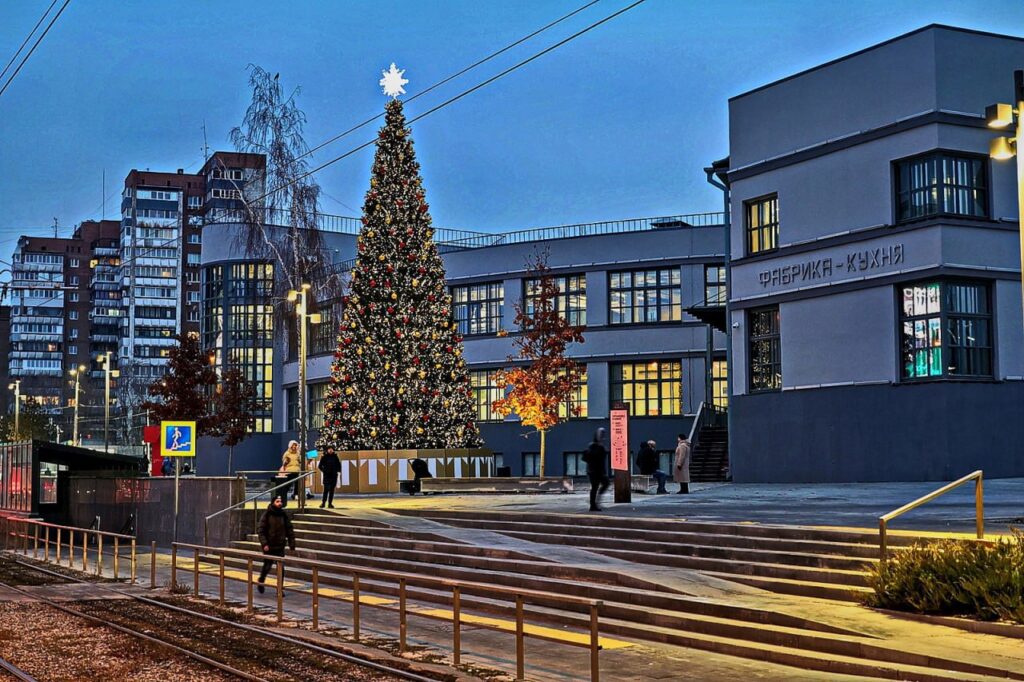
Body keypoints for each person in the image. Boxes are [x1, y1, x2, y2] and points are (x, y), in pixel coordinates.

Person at [257, 495, 296, 594]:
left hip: (280, 546)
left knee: (280, 569)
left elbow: (289, 529)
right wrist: (264, 544)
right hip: (269, 546)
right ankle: (261, 580)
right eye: (277, 501)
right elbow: (261, 531)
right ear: (273, 503)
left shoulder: (283, 514)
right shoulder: (267, 514)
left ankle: (279, 589)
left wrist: (292, 543)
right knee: (267, 566)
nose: (279, 503)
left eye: (280, 501)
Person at [583, 428, 610, 512]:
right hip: (594, 471)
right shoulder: (595, 446)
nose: (603, 437)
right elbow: (597, 459)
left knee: (601, 485)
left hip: (595, 470)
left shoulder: (597, 446)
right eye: (601, 435)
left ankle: (595, 503)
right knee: (596, 486)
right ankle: (593, 504)